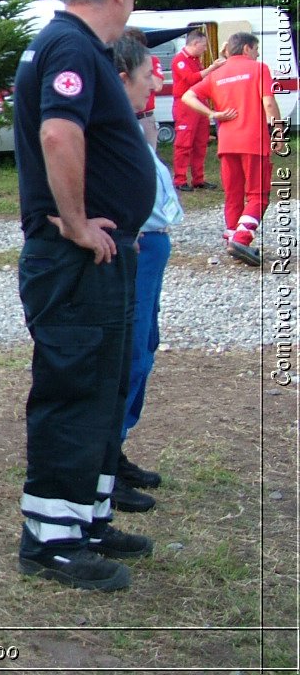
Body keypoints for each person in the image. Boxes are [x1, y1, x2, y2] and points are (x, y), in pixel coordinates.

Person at [12, 0, 156, 592]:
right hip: (75, 258)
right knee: (74, 392)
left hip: (101, 256)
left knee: (101, 389)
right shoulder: (70, 46)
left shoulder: (78, 47)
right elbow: (57, 134)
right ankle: (51, 540)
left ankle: (88, 519)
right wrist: (73, 222)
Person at [112, 32, 183, 509]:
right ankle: (103, 461)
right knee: (130, 354)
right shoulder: (105, 127)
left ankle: (113, 451)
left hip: (153, 245)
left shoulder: (131, 120)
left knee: (146, 345)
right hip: (136, 247)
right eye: (147, 75)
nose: (156, 82)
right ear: (122, 79)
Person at [182, 31, 285, 267]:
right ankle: (242, 237)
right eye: (256, 48)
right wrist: (278, 131)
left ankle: (231, 238)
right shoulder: (259, 68)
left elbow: (188, 95)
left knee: (233, 194)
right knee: (258, 195)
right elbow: (268, 102)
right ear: (247, 48)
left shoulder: (218, 73)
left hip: (227, 143)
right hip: (254, 140)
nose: (258, 53)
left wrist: (211, 114)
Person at [170, 26, 225, 190]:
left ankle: (198, 179)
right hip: (185, 105)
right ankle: (180, 180)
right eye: (203, 46)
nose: (205, 49)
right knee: (184, 144)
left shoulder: (195, 60)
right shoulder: (179, 60)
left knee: (201, 143)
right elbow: (191, 79)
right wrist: (212, 68)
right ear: (194, 43)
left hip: (200, 103)